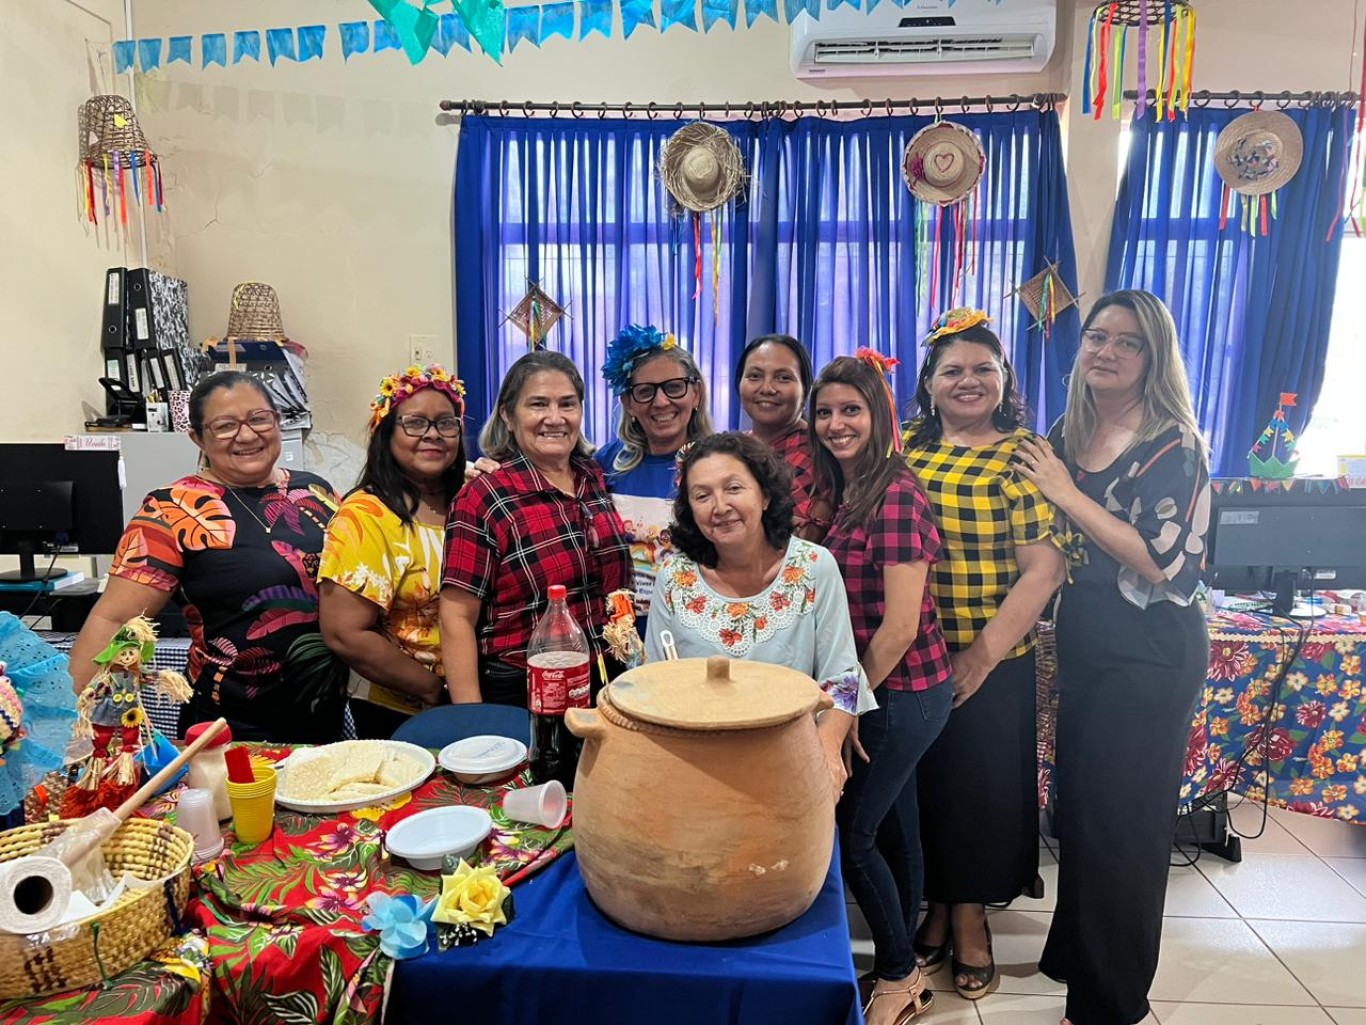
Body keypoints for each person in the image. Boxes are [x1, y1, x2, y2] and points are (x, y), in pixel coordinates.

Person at [1012, 290, 1210, 1025]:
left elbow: (1160, 560)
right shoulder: (1072, 428)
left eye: (1127, 342)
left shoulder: (1172, 443)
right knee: (1085, 812)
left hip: (1153, 653)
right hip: (1091, 643)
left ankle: (1107, 1002)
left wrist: (1064, 491)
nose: (1106, 351)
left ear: (1152, 357)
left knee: (1125, 827)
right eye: (1097, 336)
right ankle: (1076, 951)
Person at [902, 309, 1066, 1002]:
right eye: (952, 370)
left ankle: (970, 918)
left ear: (1005, 378)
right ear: (930, 385)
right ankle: (937, 902)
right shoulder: (906, 443)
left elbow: (1045, 570)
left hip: (991, 656)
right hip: (910, 654)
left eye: (983, 368)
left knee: (978, 792)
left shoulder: (1021, 453)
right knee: (927, 787)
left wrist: (980, 655)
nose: (968, 381)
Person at [67, 370, 343, 743]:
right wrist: (82, 727)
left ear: (277, 421)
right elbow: (114, 618)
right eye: (225, 426)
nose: (247, 435)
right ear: (197, 437)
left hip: (325, 715)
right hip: (230, 726)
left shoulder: (316, 491)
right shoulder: (171, 509)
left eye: (259, 418)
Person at [810, 353, 953, 1025]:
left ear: (880, 415)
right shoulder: (854, 485)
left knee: (852, 833)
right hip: (890, 688)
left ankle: (897, 973)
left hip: (899, 690)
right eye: (827, 411)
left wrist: (845, 706)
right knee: (896, 827)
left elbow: (897, 628)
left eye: (852, 410)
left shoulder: (896, 492)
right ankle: (908, 960)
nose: (837, 423)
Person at [644, 432, 872, 802]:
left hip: (792, 764)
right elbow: (652, 682)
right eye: (702, 496)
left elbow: (843, 680)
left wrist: (826, 752)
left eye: (734, 488)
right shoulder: (675, 576)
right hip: (696, 767)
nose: (719, 506)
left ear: (765, 495)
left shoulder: (815, 567)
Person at [441, 350, 632, 706]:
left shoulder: (593, 476)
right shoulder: (484, 496)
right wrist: (471, 721)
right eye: (538, 404)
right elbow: (456, 618)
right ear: (508, 417)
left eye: (567, 404)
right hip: (524, 688)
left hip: (607, 678)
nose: (555, 418)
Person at [318, 364, 468, 739]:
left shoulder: (467, 502)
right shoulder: (366, 516)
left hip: (469, 697)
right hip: (401, 709)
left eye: (445, 423)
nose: (433, 435)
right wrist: (432, 689)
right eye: (415, 423)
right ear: (385, 433)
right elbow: (344, 633)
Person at [596, 325, 714, 622]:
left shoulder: (720, 464)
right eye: (645, 391)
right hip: (620, 637)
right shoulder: (605, 463)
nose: (661, 402)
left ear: (696, 393)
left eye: (674, 387)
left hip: (694, 633)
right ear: (629, 403)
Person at [735, 334, 833, 541]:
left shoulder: (820, 455)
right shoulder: (732, 450)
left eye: (783, 378)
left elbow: (791, 548)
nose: (767, 388)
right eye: (754, 376)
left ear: (806, 389)